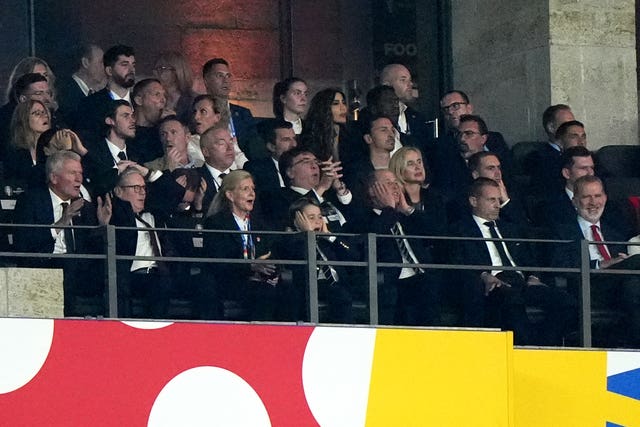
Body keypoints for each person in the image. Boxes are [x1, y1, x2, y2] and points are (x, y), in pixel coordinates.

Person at [450, 177, 574, 345]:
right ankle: (529, 349)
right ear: (473, 201)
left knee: (566, 302)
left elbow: (530, 258)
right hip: (493, 285)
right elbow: (458, 261)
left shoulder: (510, 228)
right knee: (511, 303)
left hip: (522, 283)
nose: (497, 205)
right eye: (491, 200)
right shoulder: (459, 230)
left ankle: (545, 345)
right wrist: (483, 275)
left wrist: (533, 277)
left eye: (498, 200)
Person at [13, 151, 111, 316]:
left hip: (78, 271)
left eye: (80, 173)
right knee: (66, 266)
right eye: (72, 173)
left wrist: (102, 227)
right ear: (54, 178)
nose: (79, 179)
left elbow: (92, 250)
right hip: (43, 266)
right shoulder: (30, 201)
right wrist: (61, 223)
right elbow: (25, 242)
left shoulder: (86, 208)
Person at [550, 175, 639, 346]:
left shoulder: (616, 233)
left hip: (618, 292)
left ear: (605, 198)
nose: (593, 202)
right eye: (586, 197)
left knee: (633, 286)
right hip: (586, 288)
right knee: (636, 261)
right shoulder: (561, 232)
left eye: (598, 196)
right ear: (575, 201)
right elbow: (560, 266)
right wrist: (601, 265)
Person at [350, 169, 442, 326]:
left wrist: (407, 209)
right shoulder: (362, 217)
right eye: (387, 183)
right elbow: (372, 239)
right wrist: (389, 209)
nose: (394, 187)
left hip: (421, 276)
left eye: (396, 183)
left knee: (431, 285)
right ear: (372, 190)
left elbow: (435, 235)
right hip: (390, 280)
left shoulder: (406, 216)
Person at [203, 170, 281, 321]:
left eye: (252, 189)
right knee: (265, 293)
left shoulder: (260, 224)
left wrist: (273, 271)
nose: (252, 193)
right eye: (245, 189)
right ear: (230, 195)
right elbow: (218, 261)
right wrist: (251, 266)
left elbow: (271, 253)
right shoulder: (216, 223)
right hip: (231, 281)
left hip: (260, 280)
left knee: (290, 292)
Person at [108, 167, 172, 319]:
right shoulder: (115, 215)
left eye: (143, 187)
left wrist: (148, 173)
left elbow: (172, 192)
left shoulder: (153, 214)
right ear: (119, 192)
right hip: (131, 275)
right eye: (136, 188)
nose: (142, 192)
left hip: (158, 274)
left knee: (164, 283)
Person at [280, 197, 356, 323]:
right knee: (339, 293)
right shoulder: (291, 241)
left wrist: (331, 237)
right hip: (311, 286)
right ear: (297, 221)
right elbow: (294, 256)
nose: (317, 221)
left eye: (320, 217)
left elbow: (353, 256)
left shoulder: (327, 241)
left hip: (340, 284)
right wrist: (308, 235)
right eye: (311, 218)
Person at [264, 147, 352, 232]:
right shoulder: (280, 197)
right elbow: (295, 215)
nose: (314, 166)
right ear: (290, 173)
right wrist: (321, 188)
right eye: (306, 161)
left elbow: (358, 219)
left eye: (316, 161)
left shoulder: (329, 195)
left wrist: (339, 187)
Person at [202, 58, 261, 159]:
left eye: (228, 76)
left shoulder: (243, 114)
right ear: (206, 81)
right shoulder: (198, 113)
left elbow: (255, 148)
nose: (225, 80)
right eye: (219, 76)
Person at [74, 45, 136, 142]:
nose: (131, 69)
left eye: (133, 65)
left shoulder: (139, 102)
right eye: (125, 64)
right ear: (109, 71)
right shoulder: (90, 104)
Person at [380, 63, 432, 154]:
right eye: (403, 80)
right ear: (386, 85)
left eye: (410, 80)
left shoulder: (417, 118)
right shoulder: (373, 118)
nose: (410, 84)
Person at [300, 88, 360, 166]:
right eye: (336, 104)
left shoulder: (353, 133)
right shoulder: (310, 136)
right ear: (323, 108)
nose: (343, 108)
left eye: (344, 103)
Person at [0, 73, 54, 158]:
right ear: (23, 99)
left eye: (48, 93)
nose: (47, 98)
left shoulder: (58, 120)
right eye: (39, 93)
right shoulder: (6, 126)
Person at [527, 104, 575, 195]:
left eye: (573, 124)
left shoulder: (585, 155)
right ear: (551, 128)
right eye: (567, 125)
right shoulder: (537, 157)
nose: (573, 129)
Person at [189, 94, 247, 168]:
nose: (196, 117)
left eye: (203, 111)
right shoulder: (190, 142)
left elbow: (244, 164)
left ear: (217, 117)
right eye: (194, 112)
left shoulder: (228, 138)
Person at [5, 100, 51, 186]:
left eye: (44, 112)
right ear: (24, 119)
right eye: (37, 113)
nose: (44, 116)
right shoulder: (15, 153)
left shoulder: (54, 148)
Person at [244, 119, 297, 192]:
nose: (294, 144)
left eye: (294, 139)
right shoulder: (257, 170)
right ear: (271, 146)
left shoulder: (304, 166)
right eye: (286, 140)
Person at [57, 43, 106, 120]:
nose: (104, 68)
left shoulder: (97, 96)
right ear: (85, 63)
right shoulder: (66, 93)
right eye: (101, 62)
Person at [197, 124, 238, 214]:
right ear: (206, 152)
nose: (230, 148)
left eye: (231, 142)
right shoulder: (194, 179)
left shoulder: (241, 179)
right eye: (221, 143)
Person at [131, 78, 169, 162]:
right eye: (157, 94)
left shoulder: (163, 131)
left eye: (164, 95)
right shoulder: (127, 132)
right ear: (139, 100)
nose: (163, 100)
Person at [153, 51, 196, 123]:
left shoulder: (193, 100)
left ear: (177, 71)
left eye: (162, 68)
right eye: (156, 69)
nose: (157, 73)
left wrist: (174, 120)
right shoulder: (154, 98)